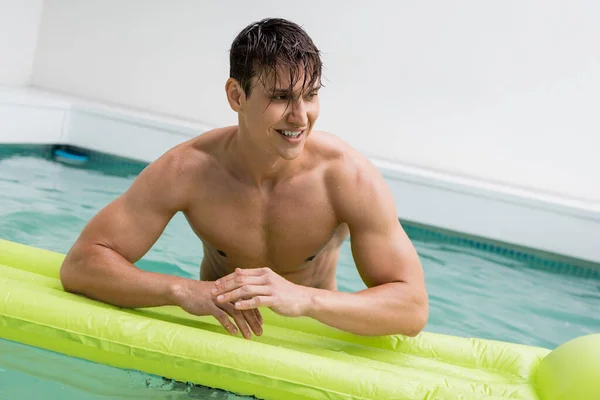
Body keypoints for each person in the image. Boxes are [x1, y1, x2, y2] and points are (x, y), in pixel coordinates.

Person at [60, 18, 429, 340]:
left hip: (309, 345)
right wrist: (182, 290)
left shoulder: (346, 177)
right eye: (282, 97)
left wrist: (304, 298)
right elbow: (81, 266)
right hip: (221, 337)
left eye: (311, 96)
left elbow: (412, 308)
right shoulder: (187, 170)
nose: (300, 117)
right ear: (237, 96)